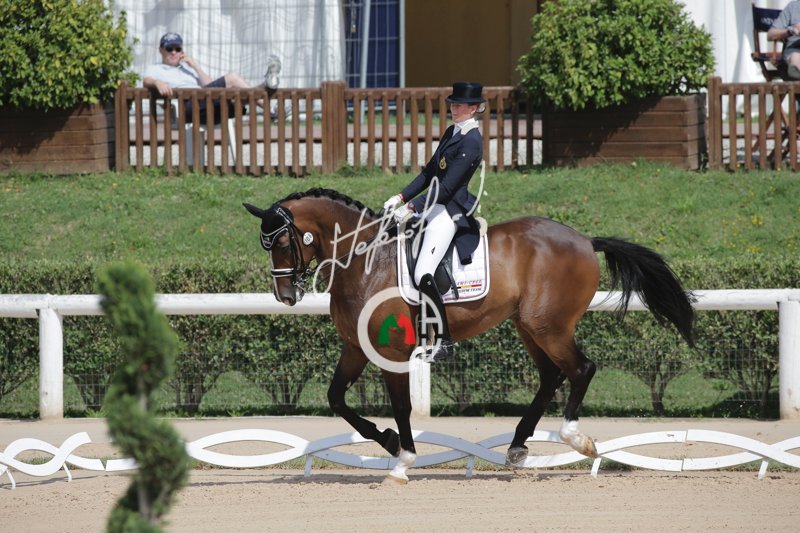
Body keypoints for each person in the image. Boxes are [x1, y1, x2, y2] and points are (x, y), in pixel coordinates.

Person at [383, 81, 485, 362]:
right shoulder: (452, 132)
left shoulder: (472, 141)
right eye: (452, 104)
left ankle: (444, 341)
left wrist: (413, 207)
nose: (454, 108)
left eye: (459, 105)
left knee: (423, 272)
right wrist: (400, 197)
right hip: (433, 205)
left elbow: (447, 187)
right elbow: (430, 173)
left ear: (473, 108)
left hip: (449, 210)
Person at [142, 32, 281, 121]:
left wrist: (195, 66)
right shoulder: (156, 69)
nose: (174, 52)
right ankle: (267, 98)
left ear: (182, 51)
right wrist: (157, 82)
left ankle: (269, 101)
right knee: (232, 78)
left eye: (177, 49)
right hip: (187, 108)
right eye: (169, 48)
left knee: (235, 98)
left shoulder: (187, 68)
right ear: (161, 50)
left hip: (206, 105)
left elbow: (209, 85)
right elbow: (146, 81)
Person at [768, 1, 800, 79]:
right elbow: (770, 34)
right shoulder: (794, 6)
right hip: (795, 52)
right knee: (795, 57)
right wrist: (791, 30)